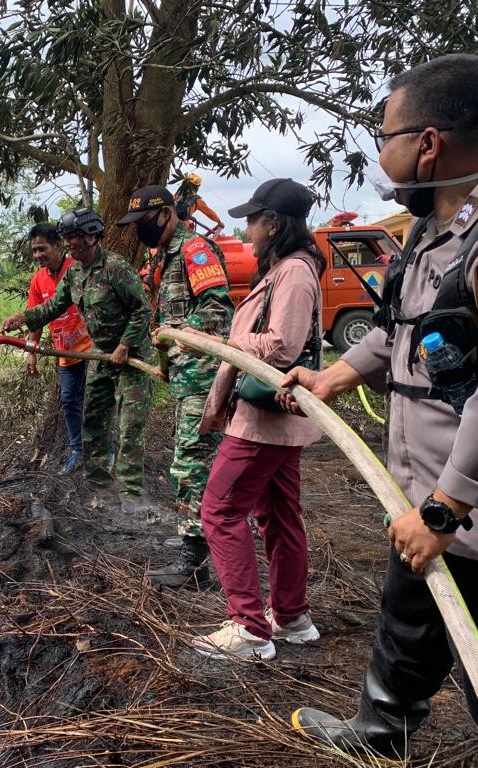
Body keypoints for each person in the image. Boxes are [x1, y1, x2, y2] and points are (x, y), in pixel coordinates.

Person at [282, 55, 478, 766]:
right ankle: (381, 734)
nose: (381, 155)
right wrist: (336, 375)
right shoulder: (433, 228)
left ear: (428, 143)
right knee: (409, 624)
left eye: (386, 136)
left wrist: (448, 507)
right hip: (424, 494)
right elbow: (400, 329)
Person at [190, 178, 325, 660]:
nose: (246, 229)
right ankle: (290, 618)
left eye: (252, 219)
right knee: (279, 517)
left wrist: (225, 343)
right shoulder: (285, 269)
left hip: (264, 423)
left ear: (273, 222)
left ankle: (249, 629)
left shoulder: (293, 272)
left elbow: (282, 345)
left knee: (220, 511)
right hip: (277, 422)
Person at [0, 208, 156, 516]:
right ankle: (99, 487)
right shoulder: (74, 274)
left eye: (74, 238)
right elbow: (54, 306)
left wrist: (125, 345)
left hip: (132, 356)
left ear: (91, 236)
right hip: (101, 355)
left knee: (129, 426)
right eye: (67, 238)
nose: (70, 243)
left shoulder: (115, 267)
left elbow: (142, 310)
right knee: (94, 419)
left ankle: (132, 496)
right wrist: (23, 317)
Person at [117, 185, 234, 589]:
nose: (140, 230)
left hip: (204, 377)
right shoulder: (163, 258)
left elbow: (217, 310)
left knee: (191, 465)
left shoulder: (194, 251)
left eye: (145, 222)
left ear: (167, 214)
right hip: (186, 375)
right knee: (192, 460)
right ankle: (195, 534)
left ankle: (194, 561)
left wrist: (178, 333)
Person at [24, 222, 94, 475]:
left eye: (42, 249)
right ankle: (78, 450)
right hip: (65, 354)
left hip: (92, 349)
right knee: (68, 401)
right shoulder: (38, 280)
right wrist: (31, 352)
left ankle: (105, 451)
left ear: (58, 245)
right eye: (34, 251)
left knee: (98, 401)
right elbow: (36, 318)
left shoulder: (75, 269)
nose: (38, 255)